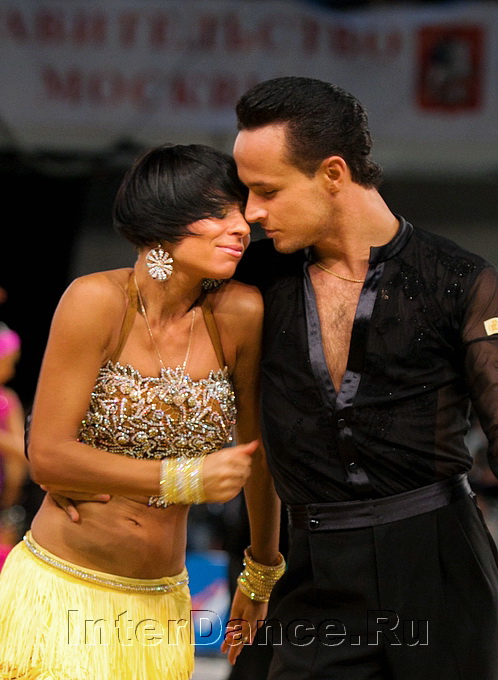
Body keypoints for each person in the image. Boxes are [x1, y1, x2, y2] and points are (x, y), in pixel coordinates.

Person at [222, 76, 498, 679]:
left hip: (443, 568)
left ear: (333, 173)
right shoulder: (252, 280)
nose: (251, 213)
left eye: (267, 190)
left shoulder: (461, 280)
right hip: (314, 571)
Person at [0, 143, 283, 680]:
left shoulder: (241, 312)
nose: (241, 227)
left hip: (161, 605)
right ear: (161, 223)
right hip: (62, 589)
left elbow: (260, 456)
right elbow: (48, 457)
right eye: (218, 212)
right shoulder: (96, 301)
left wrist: (261, 573)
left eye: (239, 211)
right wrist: (184, 478)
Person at [0, 323, 27, 564]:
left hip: (5, 498)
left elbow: (21, 451)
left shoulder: (7, 400)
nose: (12, 370)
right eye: (8, 362)